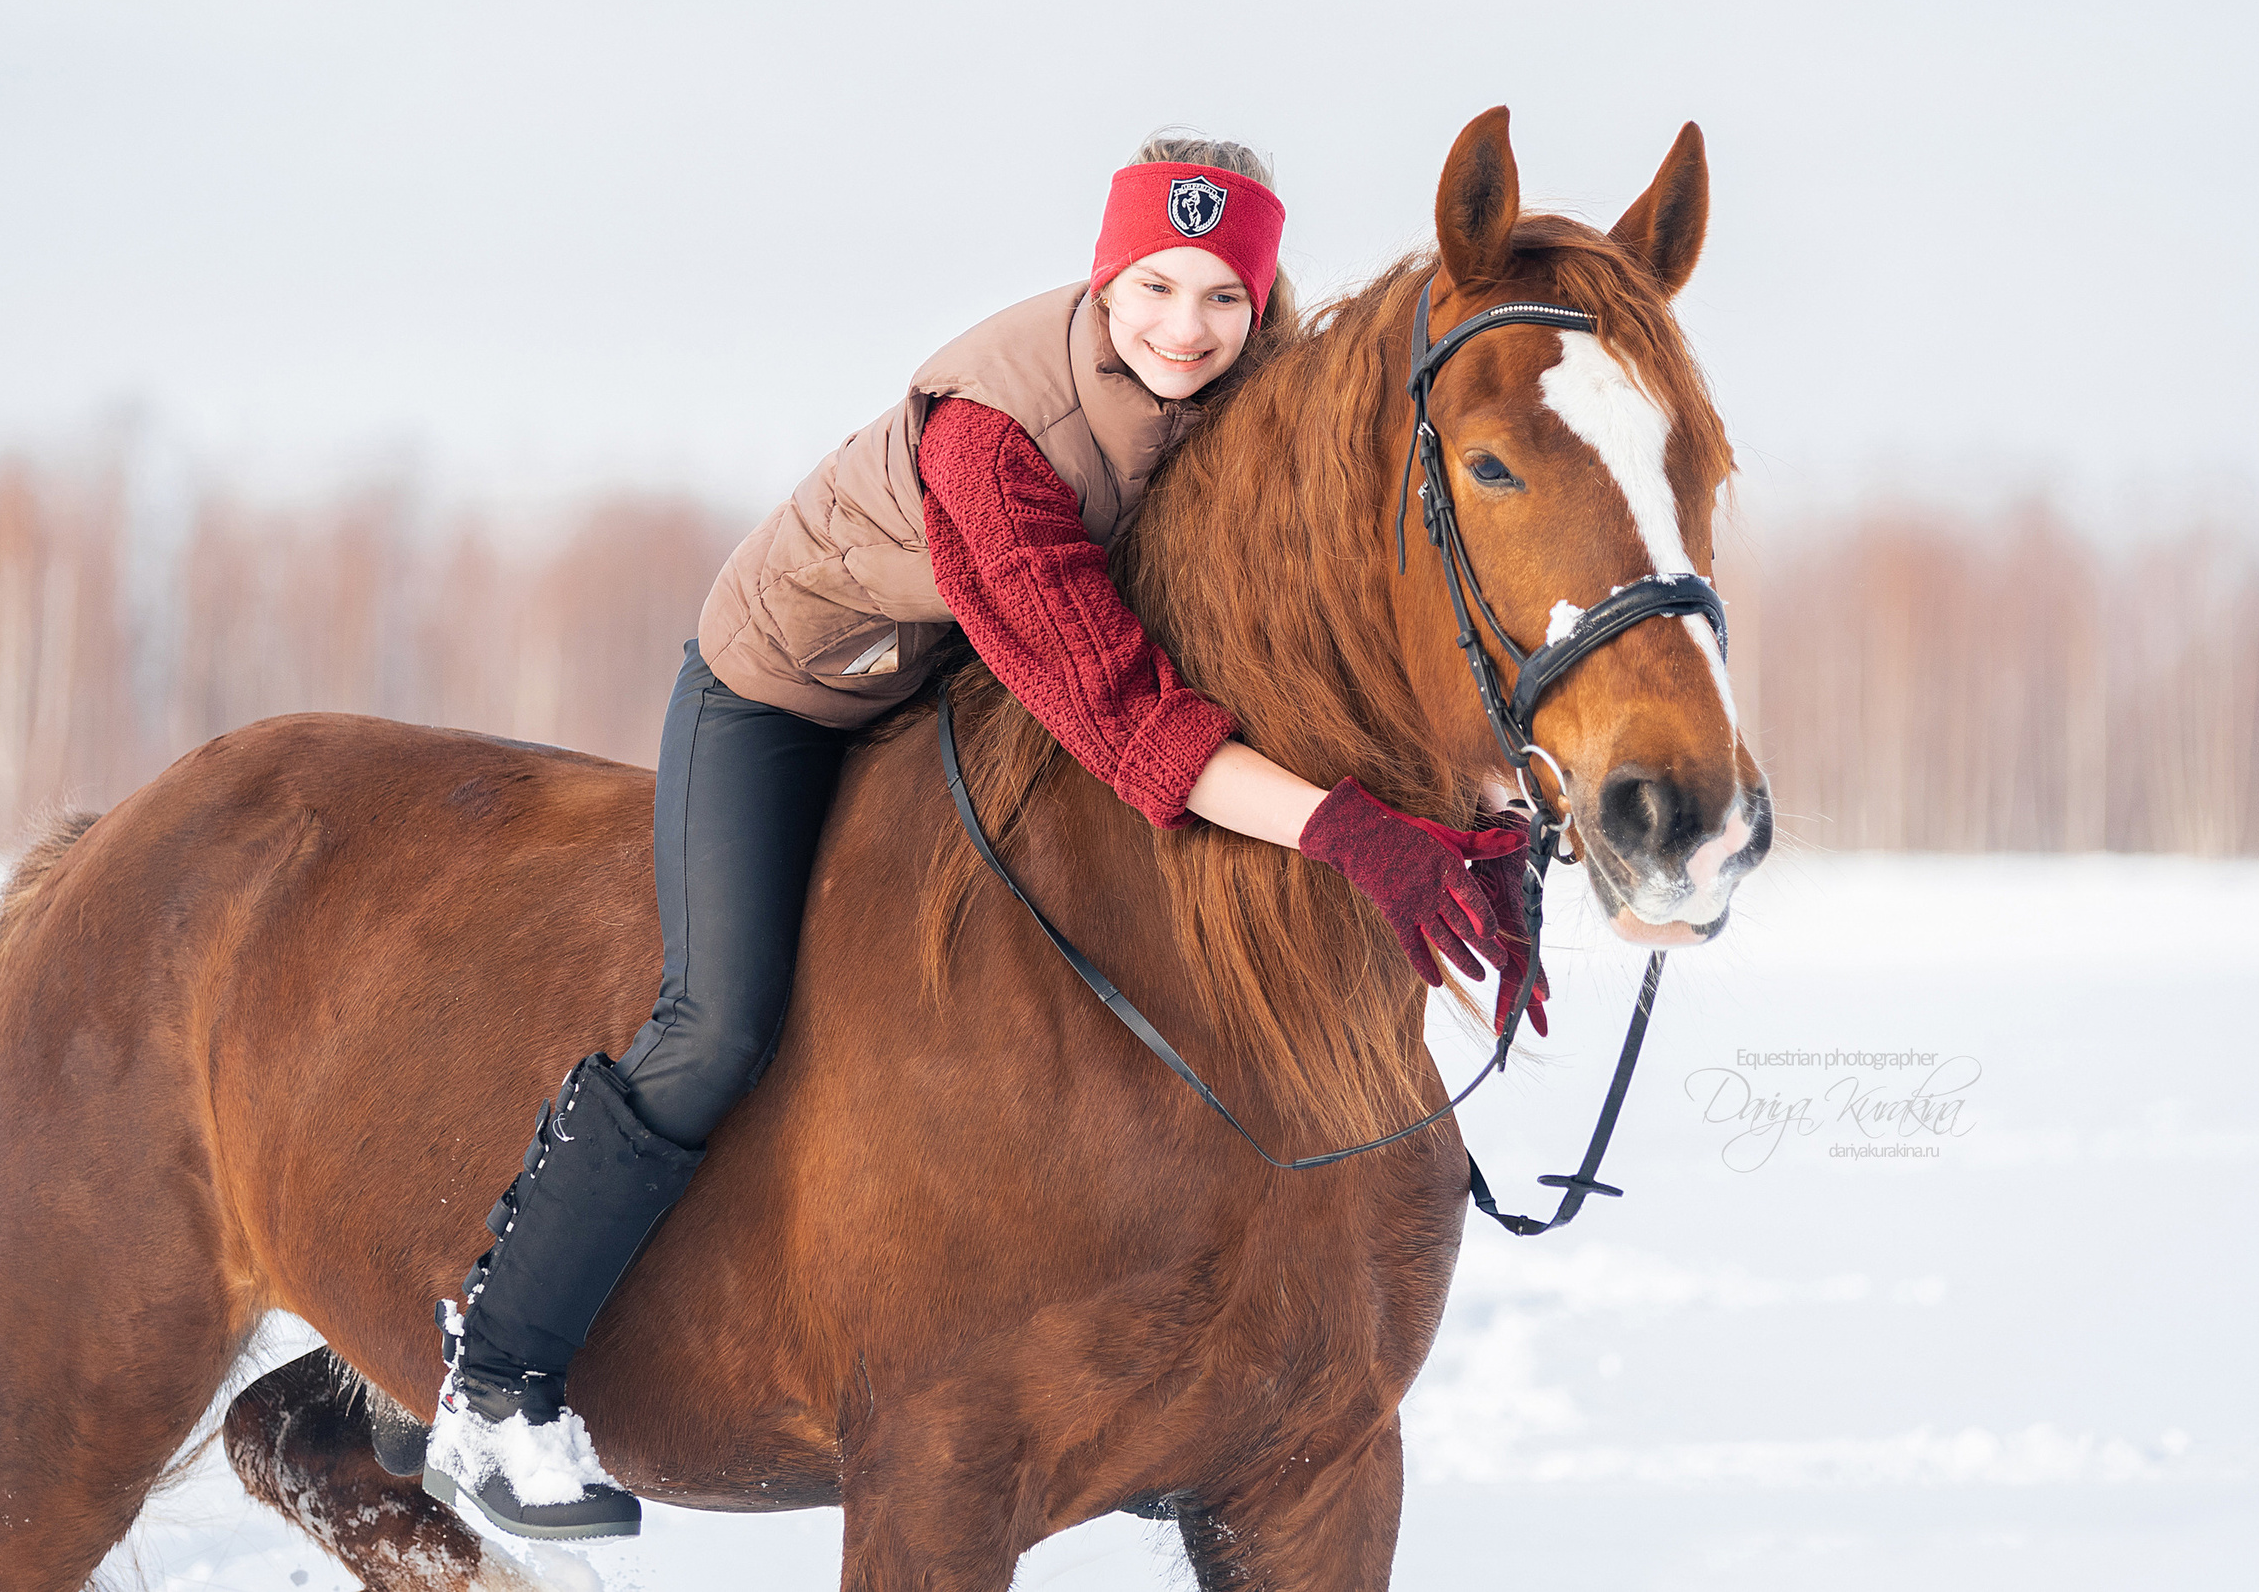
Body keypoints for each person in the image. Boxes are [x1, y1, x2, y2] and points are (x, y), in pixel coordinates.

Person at [416, 136, 1547, 1538]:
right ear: (1105, 274)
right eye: (1156, 288)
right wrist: (1350, 832)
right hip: (793, 685)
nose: (1186, 330)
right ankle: (499, 1379)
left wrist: (1475, 808)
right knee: (720, 1017)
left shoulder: (1254, 397)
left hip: (970, 672)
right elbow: (1131, 720)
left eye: (1223, 299)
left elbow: (1312, 644)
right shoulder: (993, 434)